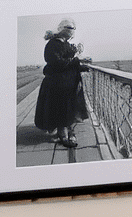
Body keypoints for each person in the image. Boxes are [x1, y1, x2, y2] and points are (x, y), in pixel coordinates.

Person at [33, 19, 91, 148]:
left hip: (69, 83)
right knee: (61, 108)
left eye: (73, 29)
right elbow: (57, 63)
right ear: (63, 30)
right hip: (58, 83)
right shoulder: (52, 44)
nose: (72, 32)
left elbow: (69, 64)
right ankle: (63, 134)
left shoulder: (66, 44)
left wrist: (82, 66)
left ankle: (67, 131)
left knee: (67, 108)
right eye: (70, 29)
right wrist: (76, 59)